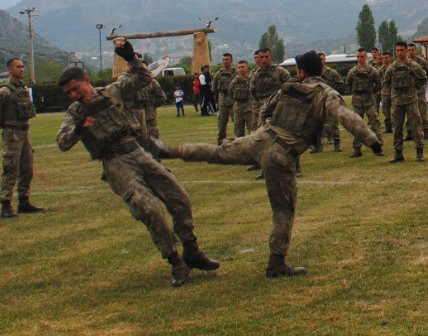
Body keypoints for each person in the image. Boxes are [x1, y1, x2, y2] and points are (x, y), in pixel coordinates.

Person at [158, 51, 381, 278]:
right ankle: (276, 263)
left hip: (260, 139)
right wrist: (371, 140)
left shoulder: (289, 86)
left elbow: (267, 110)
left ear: (301, 72)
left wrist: (267, 128)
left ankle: (169, 150)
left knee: (217, 152)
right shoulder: (326, 94)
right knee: (283, 211)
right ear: (321, 70)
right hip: (281, 153)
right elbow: (346, 116)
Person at [56, 40, 218, 287]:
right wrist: (79, 128)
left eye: (76, 89)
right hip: (115, 163)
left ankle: (192, 250)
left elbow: (144, 78)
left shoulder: (112, 91)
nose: (74, 95)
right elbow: (63, 142)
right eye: (69, 93)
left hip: (137, 151)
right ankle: (176, 261)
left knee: (179, 196)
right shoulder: (76, 113)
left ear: (86, 80)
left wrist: (130, 57)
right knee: (148, 209)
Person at [0, 57, 43, 219]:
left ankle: (24, 200)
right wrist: (6, 126)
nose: (22, 69)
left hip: (24, 131)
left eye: (23, 66)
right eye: (18, 67)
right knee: (11, 168)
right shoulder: (4, 92)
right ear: (10, 70)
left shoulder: (23, 89)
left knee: (27, 167)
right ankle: (5, 203)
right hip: (12, 133)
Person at [385, 42, 428, 162]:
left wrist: (414, 88)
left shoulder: (413, 65)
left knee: (415, 126)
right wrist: (392, 94)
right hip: (397, 102)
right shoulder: (392, 67)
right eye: (397, 50)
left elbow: (423, 78)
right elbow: (386, 81)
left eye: (402, 50)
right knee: (397, 128)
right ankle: (398, 153)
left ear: (406, 51)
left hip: (410, 101)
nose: (400, 53)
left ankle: (419, 152)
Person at [345, 49, 382, 157]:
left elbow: (379, 84)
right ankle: (357, 149)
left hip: (369, 102)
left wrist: (371, 92)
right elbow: (347, 84)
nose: (360, 59)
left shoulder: (372, 71)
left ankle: (378, 147)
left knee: (375, 124)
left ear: (366, 57)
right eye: (358, 57)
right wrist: (354, 92)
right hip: (357, 103)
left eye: (362, 57)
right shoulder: (353, 71)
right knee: (356, 126)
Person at [227, 61, 255, 138]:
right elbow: (230, 93)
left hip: (249, 109)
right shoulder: (234, 81)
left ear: (247, 68)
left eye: (243, 67)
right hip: (238, 109)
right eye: (239, 67)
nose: (241, 69)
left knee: (252, 131)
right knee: (238, 132)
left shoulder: (251, 79)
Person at [212, 54, 237, 140]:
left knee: (237, 124)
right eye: (223, 60)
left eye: (227, 59)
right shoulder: (219, 73)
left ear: (231, 61)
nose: (225, 61)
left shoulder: (236, 72)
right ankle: (220, 145)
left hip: (233, 102)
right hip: (222, 103)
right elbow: (214, 88)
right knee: (221, 126)